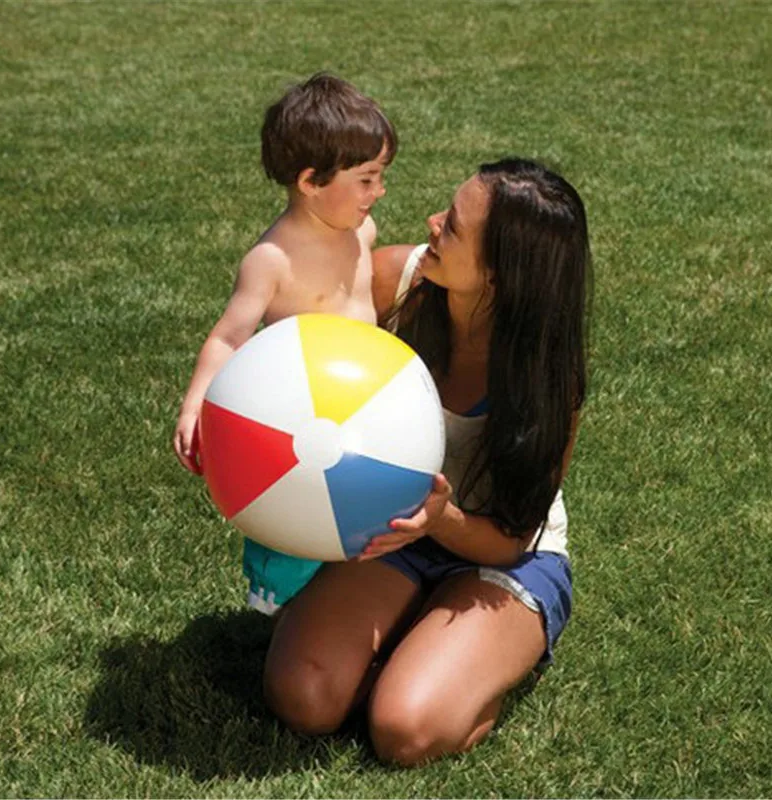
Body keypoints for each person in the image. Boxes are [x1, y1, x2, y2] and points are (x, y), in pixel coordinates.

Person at [262, 157, 592, 766]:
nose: (431, 223)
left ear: (500, 275)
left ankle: (474, 664)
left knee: (405, 731)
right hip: (395, 535)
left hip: (505, 558)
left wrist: (440, 520)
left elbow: (513, 539)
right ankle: (418, 636)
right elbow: (301, 367)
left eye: (454, 227)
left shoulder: (548, 380)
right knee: (304, 697)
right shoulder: (395, 283)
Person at [172, 73, 397, 612]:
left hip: (360, 410)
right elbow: (229, 337)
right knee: (296, 524)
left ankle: (346, 605)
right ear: (311, 181)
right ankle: (273, 605)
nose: (379, 192)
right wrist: (195, 404)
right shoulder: (273, 260)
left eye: (381, 176)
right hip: (295, 425)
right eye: (366, 179)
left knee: (361, 518)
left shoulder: (361, 233)